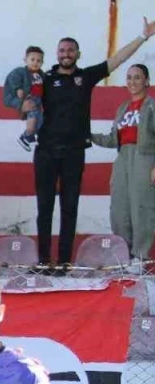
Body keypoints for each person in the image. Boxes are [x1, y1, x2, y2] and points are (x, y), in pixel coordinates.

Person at [36, 24, 155, 270]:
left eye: (71, 50)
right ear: (56, 54)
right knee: (45, 208)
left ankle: (65, 262)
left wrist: (143, 36)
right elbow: (21, 97)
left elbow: (117, 60)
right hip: (46, 150)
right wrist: (23, 104)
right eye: (62, 50)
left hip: (75, 153)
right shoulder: (45, 79)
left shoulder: (86, 77)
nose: (66, 54)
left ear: (78, 54)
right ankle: (43, 261)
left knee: (70, 208)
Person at [91, 64, 155, 266]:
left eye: (137, 77)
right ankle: (123, 255)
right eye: (129, 77)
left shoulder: (151, 106)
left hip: (144, 157)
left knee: (141, 207)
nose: (132, 82)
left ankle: (140, 258)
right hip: (123, 159)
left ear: (147, 81)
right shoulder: (123, 108)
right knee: (119, 208)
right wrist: (88, 136)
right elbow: (113, 139)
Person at [5, 47, 46, 152]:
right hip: (30, 98)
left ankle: (26, 136)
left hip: (39, 100)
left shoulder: (41, 74)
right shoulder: (21, 71)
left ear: (42, 62)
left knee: (40, 120)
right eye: (32, 60)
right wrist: (18, 89)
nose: (35, 63)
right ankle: (28, 135)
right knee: (33, 116)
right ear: (25, 60)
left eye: (38, 61)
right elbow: (14, 79)